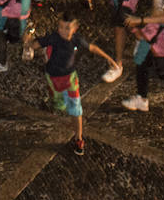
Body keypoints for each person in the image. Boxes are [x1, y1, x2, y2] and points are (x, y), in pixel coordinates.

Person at [27, 10, 121, 155]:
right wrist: (28, 45)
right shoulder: (54, 37)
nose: (63, 31)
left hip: (70, 79)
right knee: (59, 104)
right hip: (52, 77)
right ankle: (47, 53)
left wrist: (109, 58)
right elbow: (36, 43)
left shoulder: (76, 39)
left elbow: (92, 47)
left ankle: (79, 138)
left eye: (67, 28)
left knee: (76, 110)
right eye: (61, 27)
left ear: (75, 29)